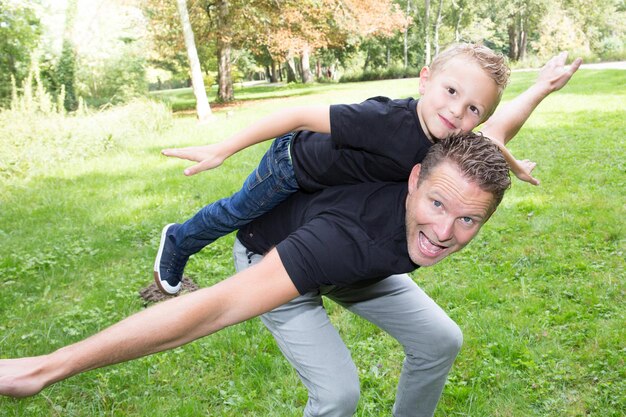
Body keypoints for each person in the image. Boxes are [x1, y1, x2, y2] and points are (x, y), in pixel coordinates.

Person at [0, 134, 511, 416]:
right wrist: (48, 367)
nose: (444, 231)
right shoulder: (342, 240)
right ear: (414, 179)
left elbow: (494, 124)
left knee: (441, 338)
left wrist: (538, 88)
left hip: (356, 268)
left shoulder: (446, 165)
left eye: (468, 219)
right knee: (338, 396)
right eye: (437, 204)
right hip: (277, 257)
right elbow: (212, 308)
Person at [154, 43, 536, 295]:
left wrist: (513, 164)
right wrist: (223, 149)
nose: (457, 111)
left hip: (329, 184)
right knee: (241, 210)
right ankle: (180, 240)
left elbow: (485, 143)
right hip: (293, 164)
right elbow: (299, 115)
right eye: (451, 92)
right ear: (425, 80)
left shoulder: (447, 136)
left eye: (474, 109)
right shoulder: (384, 121)